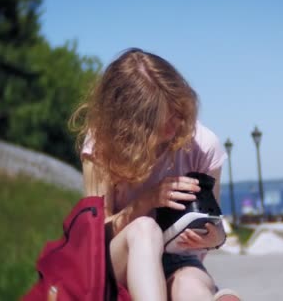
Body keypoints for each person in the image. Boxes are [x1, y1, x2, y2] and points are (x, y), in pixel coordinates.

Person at [69, 48, 241, 301]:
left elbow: (213, 224)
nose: (176, 126)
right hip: (115, 259)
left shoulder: (204, 145)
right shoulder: (102, 143)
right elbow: (96, 233)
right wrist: (148, 201)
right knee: (145, 230)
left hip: (177, 259)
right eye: (162, 119)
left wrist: (214, 237)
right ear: (132, 122)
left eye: (177, 112)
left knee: (190, 285)